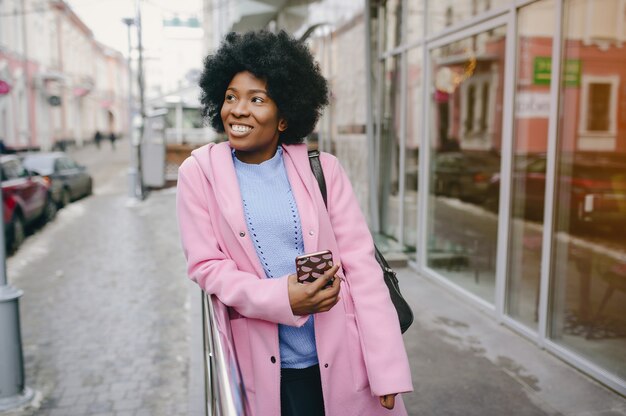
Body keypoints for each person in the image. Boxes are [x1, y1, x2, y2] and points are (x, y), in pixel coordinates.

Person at [176, 31, 412, 416]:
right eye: (231, 96)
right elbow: (207, 267)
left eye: (257, 99)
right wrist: (283, 298)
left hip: (344, 361)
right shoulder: (198, 173)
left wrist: (387, 368)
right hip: (264, 371)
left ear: (284, 117)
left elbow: (363, 269)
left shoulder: (324, 170)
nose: (237, 109)